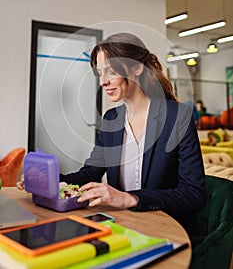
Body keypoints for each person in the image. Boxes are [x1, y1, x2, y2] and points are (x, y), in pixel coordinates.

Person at [17, 33, 206, 245]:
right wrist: (51, 181)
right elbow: (90, 173)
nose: (103, 81)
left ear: (137, 68)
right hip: (122, 225)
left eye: (111, 71)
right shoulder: (111, 119)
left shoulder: (177, 117)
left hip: (166, 229)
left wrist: (131, 198)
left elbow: (193, 193)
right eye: (99, 73)